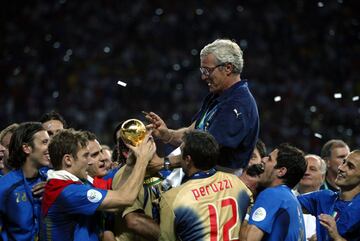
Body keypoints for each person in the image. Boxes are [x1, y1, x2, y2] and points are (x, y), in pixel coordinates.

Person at [146, 38, 259, 174]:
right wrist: (168, 134)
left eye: (208, 71)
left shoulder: (238, 105)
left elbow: (204, 152)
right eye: (203, 71)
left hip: (221, 182)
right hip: (204, 175)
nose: (204, 77)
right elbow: (193, 133)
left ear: (228, 68)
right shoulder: (218, 95)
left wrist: (164, 163)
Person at [40, 128, 155, 241]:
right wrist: (143, 160)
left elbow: (116, 203)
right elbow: (126, 198)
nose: (88, 162)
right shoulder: (68, 192)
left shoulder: (77, 183)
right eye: (85, 156)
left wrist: (130, 165)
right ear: (68, 160)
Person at [159, 130, 253, 241]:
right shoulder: (238, 185)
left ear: (188, 160)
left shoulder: (172, 198)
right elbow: (247, 219)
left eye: (181, 152)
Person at [245, 143, 307, 241]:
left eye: (269, 159)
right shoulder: (292, 201)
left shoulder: (272, 194)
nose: (263, 160)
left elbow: (249, 239)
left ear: (281, 171)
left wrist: (244, 211)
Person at [0, 122, 50, 241]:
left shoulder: (50, 182)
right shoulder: (5, 187)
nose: (50, 147)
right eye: (44, 142)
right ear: (26, 148)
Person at [298, 150, 360, 241]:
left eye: (350, 166)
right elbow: (288, 203)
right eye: (343, 162)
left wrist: (336, 237)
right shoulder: (324, 197)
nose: (341, 168)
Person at [293, 154, 326, 240]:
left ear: (322, 177)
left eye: (312, 169)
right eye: (304, 168)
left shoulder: (329, 205)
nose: (306, 172)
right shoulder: (285, 197)